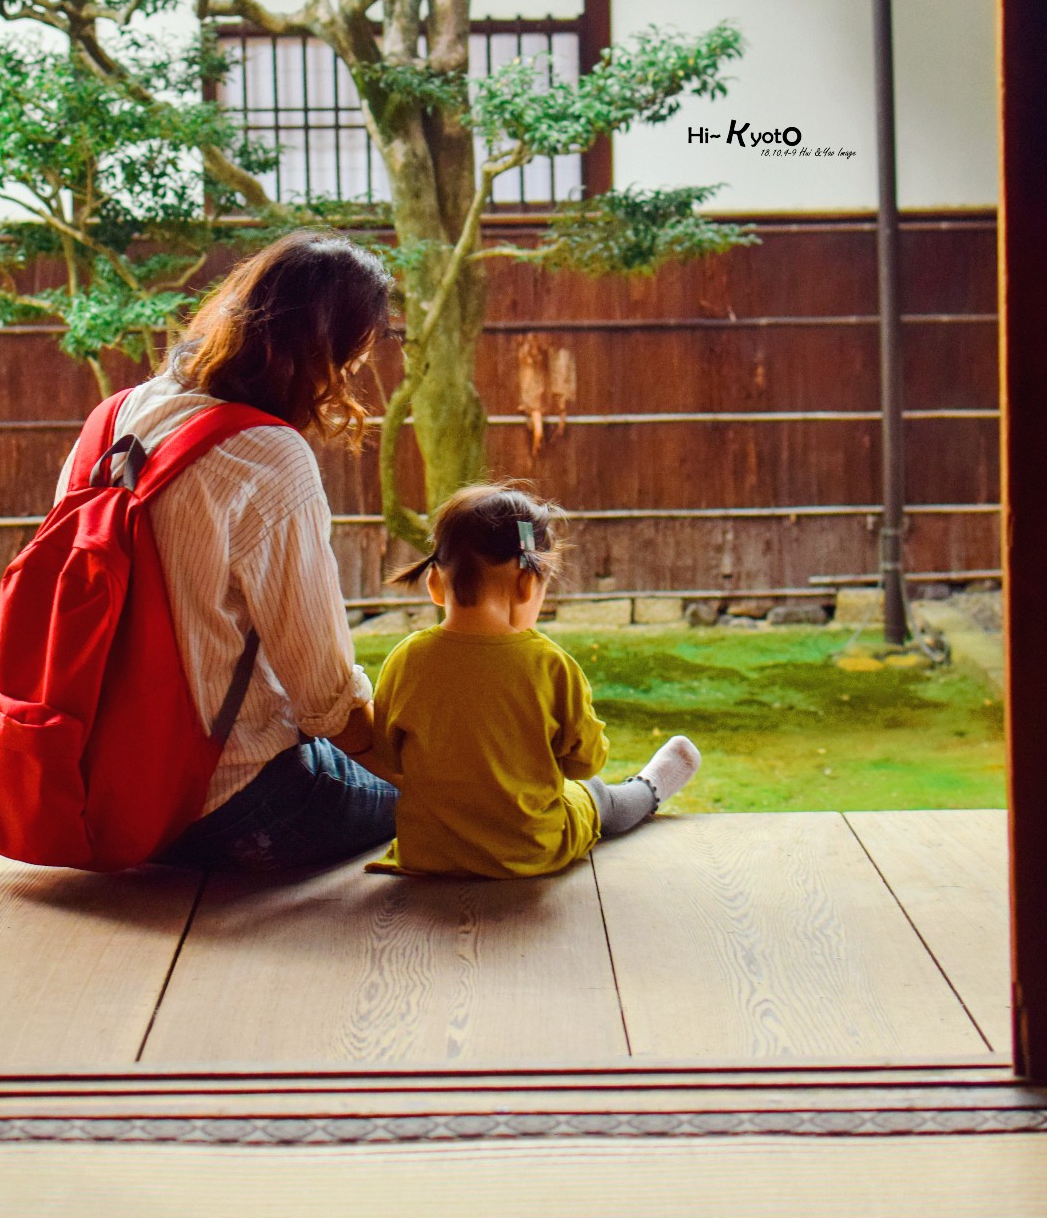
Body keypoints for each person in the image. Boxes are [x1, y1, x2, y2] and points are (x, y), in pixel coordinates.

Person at [53, 230, 398, 871]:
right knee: (454, 799)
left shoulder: (114, 416)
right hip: (223, 803)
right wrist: (426, 775)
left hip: (88, 786)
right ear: (328, 351)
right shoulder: (269, 454)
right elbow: (324, 698)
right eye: (353, 357)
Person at [366, 485, 700, 879]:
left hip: (430, 853)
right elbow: (584, 763)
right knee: (595, 795)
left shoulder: (405, 660)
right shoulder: (550, 666)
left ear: (435, 585)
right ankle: (648, 788)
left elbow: (387, 757)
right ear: (527, 584)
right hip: (528, 851)